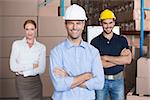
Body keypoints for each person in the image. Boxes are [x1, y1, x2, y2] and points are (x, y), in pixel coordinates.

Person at [49, 4, 104, 100]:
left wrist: (68, 77)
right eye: (71, 23)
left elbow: (99, 83)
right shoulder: (56, 52)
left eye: (78, 23)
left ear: (83, 25)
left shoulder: (93, 52)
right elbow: (59, 85)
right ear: (65, 25)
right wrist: (86, 76)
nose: (74, 27)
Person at [91, 9, 132, 100]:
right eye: (105, 23)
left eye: (110, 23)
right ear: (101, 23)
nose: (108, 26)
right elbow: (97, 64)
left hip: (118, 80)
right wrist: (119, 60)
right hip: (101, 80)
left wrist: (105, 57)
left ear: (114, 23)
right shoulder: (94, 42)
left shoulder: (122, 40)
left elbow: (128, 60)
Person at [10, 19, 46, 100]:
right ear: (24, 30)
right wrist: (32, 65)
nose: (29, 32)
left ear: (36, 30)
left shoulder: (41, 47)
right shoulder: (17, 44)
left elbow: (41, 69)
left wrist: (23, 69)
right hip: (22, 81)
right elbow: (13, 67)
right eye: (27, 29)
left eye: (32, 29)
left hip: (36, 82)